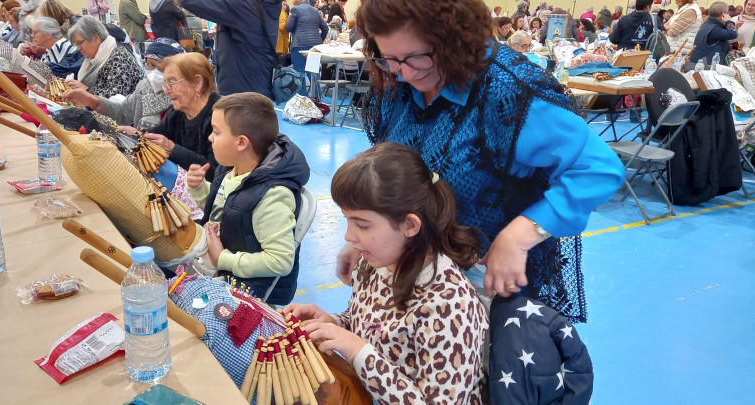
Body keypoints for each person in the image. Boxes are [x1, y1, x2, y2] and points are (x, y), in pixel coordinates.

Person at [348, 0, 625, 323]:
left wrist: (518, 237)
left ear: (455, 41)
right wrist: (368, 237)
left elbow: (599, 169)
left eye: (418, 57)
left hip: (482, 287)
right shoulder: (397, 83)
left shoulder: (509, 93)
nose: (406, 73)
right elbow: (391, 176)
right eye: (392, 59)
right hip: (412, 272)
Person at [284, 143, 488, 404]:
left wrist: (359, 351)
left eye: (362, 224)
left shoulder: (449, 305)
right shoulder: (375, 264)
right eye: (347, 220)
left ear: (410, 225)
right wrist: (335, 323)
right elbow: (371, 324)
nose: (348, 236)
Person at [185, 92, 310, 305]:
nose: (210, 138)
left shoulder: (271, 196)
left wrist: (223, 258)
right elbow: (224, 209)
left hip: (244, 291)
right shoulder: (233, 170)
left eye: (216, 132)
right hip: (218, 265)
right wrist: (199, 189)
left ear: (241, 142)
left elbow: (280, 261)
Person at [63, 37, 184, 129]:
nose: (151, 70)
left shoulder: (184, 98)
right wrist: (92, 101)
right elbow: (123, 112)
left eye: (156, 65)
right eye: (148, 63)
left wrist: (140, 136)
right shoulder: (145, 87)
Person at [182, 0, 282, 99]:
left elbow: (190, 2)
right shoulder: (265, 4)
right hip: (258, 82)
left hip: (241, 88)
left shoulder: (242, 5)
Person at [144, 52, 220, 180]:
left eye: (172, 82)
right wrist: (136, 134)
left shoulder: (221, 116)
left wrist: (172, 149)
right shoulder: (176, 114)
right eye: (166, 83)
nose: (167, 90)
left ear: (197, 83)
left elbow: (215, 171)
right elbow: (152, 135)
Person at [65, 16, 143, 99]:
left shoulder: (119, 58)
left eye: (79, 43)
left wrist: (85, 89)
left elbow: (116, 100)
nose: (77, 48)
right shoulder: (95, 56)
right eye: (76, 44)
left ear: (96, 39)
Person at [285, 0, 328, 72]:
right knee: (313, 73)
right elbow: (325, 28)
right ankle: (315, 84)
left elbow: (288, 27)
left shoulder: (295, 9)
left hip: (299, 45)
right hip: (315, 46)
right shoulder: (315, 10)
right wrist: (320, 40)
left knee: (299, 72)